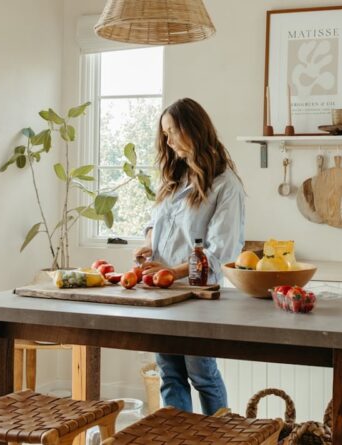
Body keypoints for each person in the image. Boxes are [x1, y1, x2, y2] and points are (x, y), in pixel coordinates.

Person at [134, 98, 244, 415]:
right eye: (165, 133)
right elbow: (155, 221)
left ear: (192, 130)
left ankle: (218, 437)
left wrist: (172, 272)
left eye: (172, 132)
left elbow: (220, 253)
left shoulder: (225, 185)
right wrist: (149, 244)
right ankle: (178, 437)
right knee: (169, 376)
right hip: (162, 293)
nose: (168, 141)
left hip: (198, 296)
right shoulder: (175, 176)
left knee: (202, 375)